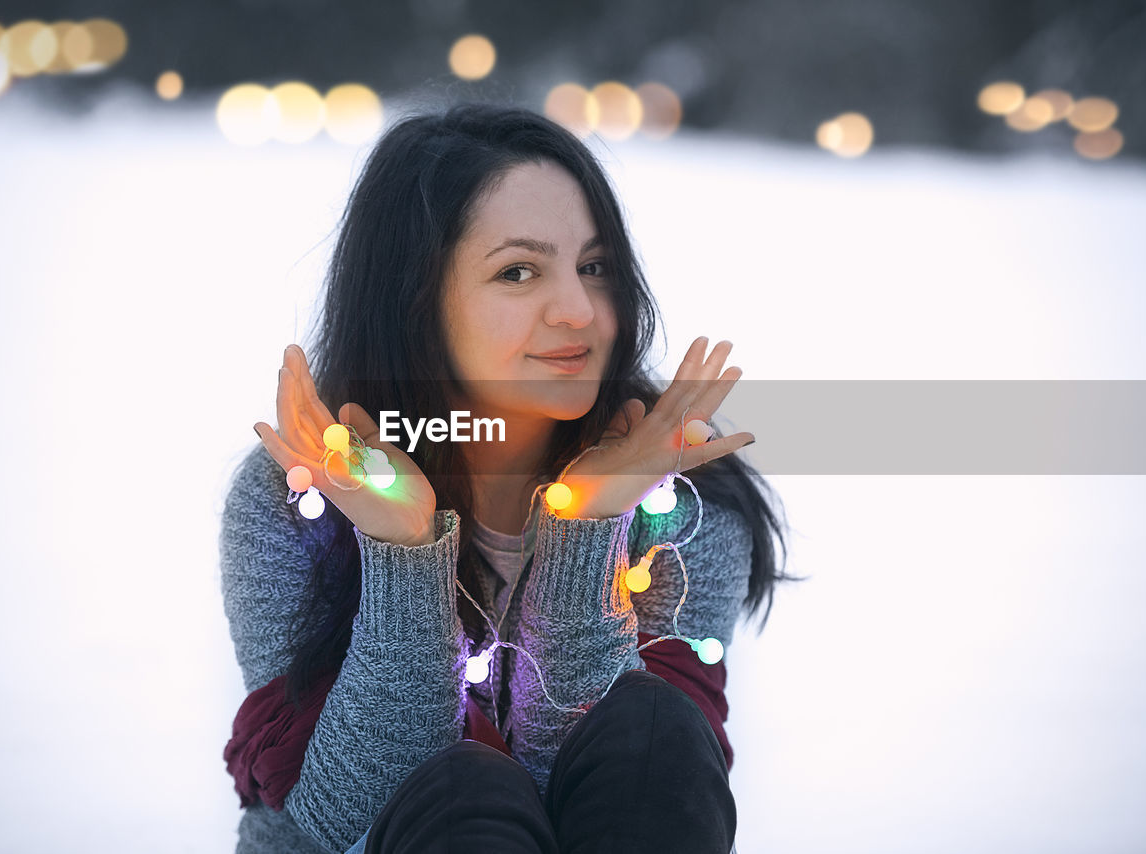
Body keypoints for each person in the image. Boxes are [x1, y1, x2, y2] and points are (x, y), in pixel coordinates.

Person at [219, 103, 790, 853]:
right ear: (415, 299)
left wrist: (586, 525)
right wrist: (404, 543)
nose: (579, 311)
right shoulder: (299, 498)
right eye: (518, 272)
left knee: (653, 727)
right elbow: (346, 817)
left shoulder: (682, 497)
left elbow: (634, 794)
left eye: (595, 267)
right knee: (465, 791)